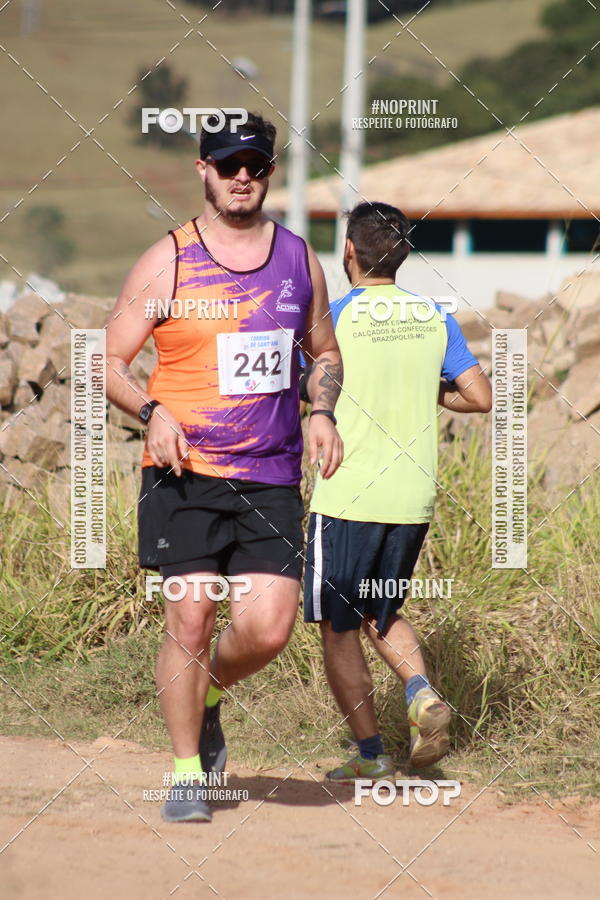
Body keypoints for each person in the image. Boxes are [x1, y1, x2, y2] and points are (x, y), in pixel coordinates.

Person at [106, 111, 343, 821]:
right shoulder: (169, 260)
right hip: (185, 473)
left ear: (271, 173)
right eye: (230, 163)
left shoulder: (299, 259)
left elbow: (322, 352)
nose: (244, 176)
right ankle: (186, 776)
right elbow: (109, 362)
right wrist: (154, 413)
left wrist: (322, 409)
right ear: (204, 170)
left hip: (270, 472)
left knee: (269, 628)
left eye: (257, 165)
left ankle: (208, 694)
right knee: (190, 616)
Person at [303, 201, 492, 782]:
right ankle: (420, 693)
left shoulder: (332, 321)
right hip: (413, 499)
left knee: (338, 628)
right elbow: (481, 397)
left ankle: (370, 759)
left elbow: (308, 396)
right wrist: (432, 394)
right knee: (381, 610)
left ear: (350, 252)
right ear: (404, 255)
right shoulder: (436, 319)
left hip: (347, 494)